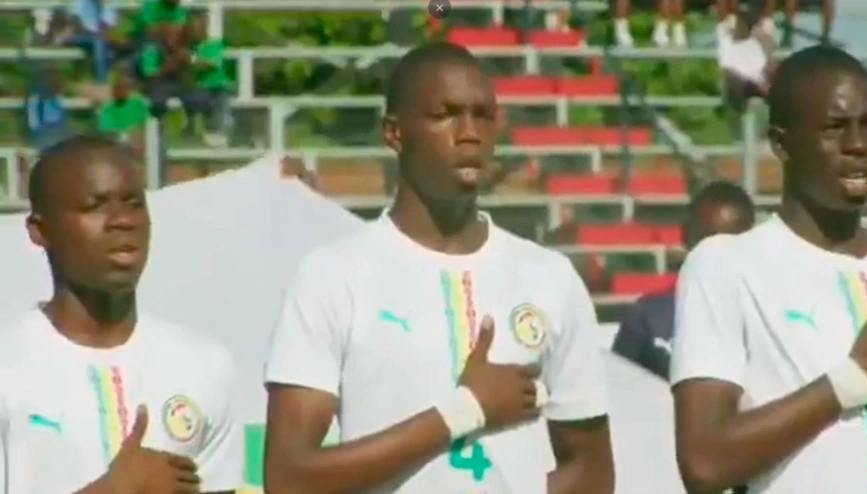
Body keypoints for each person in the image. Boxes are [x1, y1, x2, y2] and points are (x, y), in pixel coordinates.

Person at [263, 42, 614, 494]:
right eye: (445, 114)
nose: (469, 133)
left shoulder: (550, 278)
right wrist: (465, 411)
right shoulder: (333, 276)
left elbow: (592, 471)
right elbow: (289, 479)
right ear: (395, 133)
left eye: (483, 115)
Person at [672, 45, 867, 493]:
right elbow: (704, 462)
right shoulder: (726, 266)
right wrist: (852, 379)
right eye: (835, 128)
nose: (860, 145)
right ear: (782, 143)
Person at [0, 135, 242, 494]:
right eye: (93, 206)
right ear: (40, 230)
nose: (121, 221)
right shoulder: (9, 366)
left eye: (133, 204)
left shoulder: (205, 365)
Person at [612, 180, 755, 380]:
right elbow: (620, 388)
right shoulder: (648, 317)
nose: (715, 254)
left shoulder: (767, 315)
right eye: (706, 241)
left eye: (729, 244)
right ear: (686, 235)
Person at [187, 14, 232, 147]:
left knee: (220, 102)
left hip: (218, 86)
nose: (195, 30)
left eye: (198, 26)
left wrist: (193, 61)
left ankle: (216, 133)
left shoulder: (213, 44)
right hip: (200, 87)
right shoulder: (192, 48)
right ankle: (193, 133)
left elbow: (210, 64)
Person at [96, 73, 150, 142]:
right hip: (116, 142)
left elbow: (146, 122)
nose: (119, 91)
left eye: (123, 87)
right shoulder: (107, 108)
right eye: (117, 88)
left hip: (139, 140)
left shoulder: (138, 102)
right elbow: (107, 130)